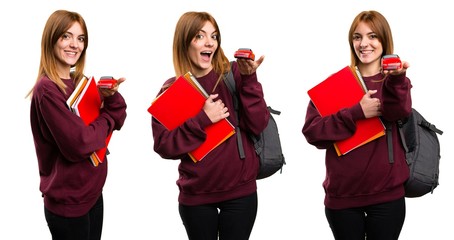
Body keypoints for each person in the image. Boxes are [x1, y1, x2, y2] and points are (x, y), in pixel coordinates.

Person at [151, 11, 269, 240]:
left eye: (214, 36)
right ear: (185, 43)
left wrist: (250, 79)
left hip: (240, 192)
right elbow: (164, 146)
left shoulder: (235, 73)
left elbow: (257, 124)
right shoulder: (171, 90)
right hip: (196, 197)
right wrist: (203, 119)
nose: (209, 42)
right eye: (199, 36)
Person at [302, 10, 412, 240]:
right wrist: (356, 113)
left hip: (387, 196)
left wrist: (397, 79)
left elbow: (398, 112)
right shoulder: (335, 85)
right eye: (357, 37)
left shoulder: (395, 82)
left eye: (372, 36)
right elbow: (312, 133)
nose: (364, 44)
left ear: (384, 40)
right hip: (342, 199)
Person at [27, 10, 127, 240]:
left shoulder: (79, 82)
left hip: (92, 194)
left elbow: (120, 115)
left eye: (80, 38)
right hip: (68, 205)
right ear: (51, 39)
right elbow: (80, 144)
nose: (75, 44)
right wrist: (106, 121)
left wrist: (110, 97)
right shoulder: (47, 89)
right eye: (66, 36)